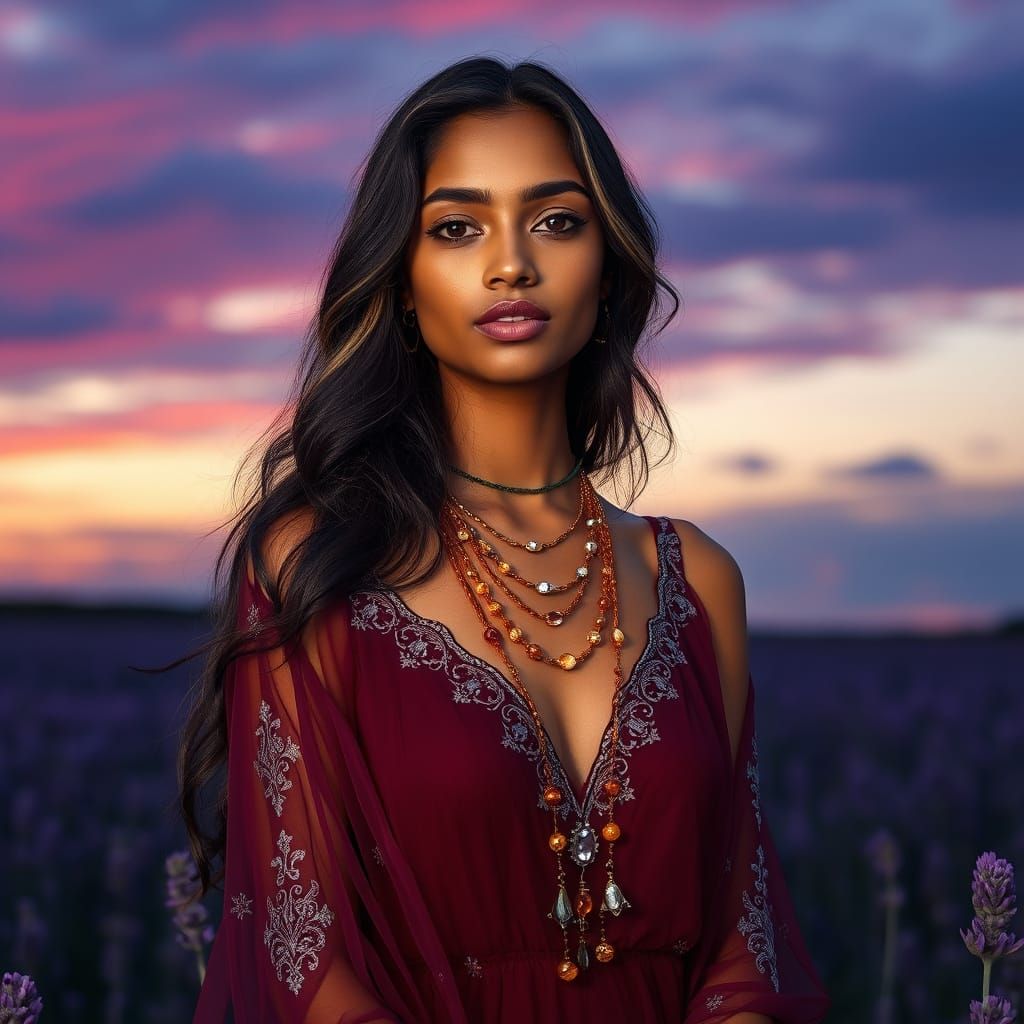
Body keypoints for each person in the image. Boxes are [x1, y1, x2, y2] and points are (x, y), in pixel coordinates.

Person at [180, 56, 831, 1023]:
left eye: (557, 221)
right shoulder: (316, 561)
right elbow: (306, 957)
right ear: (401, 281)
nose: (510, 263)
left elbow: (745, 939)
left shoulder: (698, 580)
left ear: (607, 267)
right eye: (456, 227)